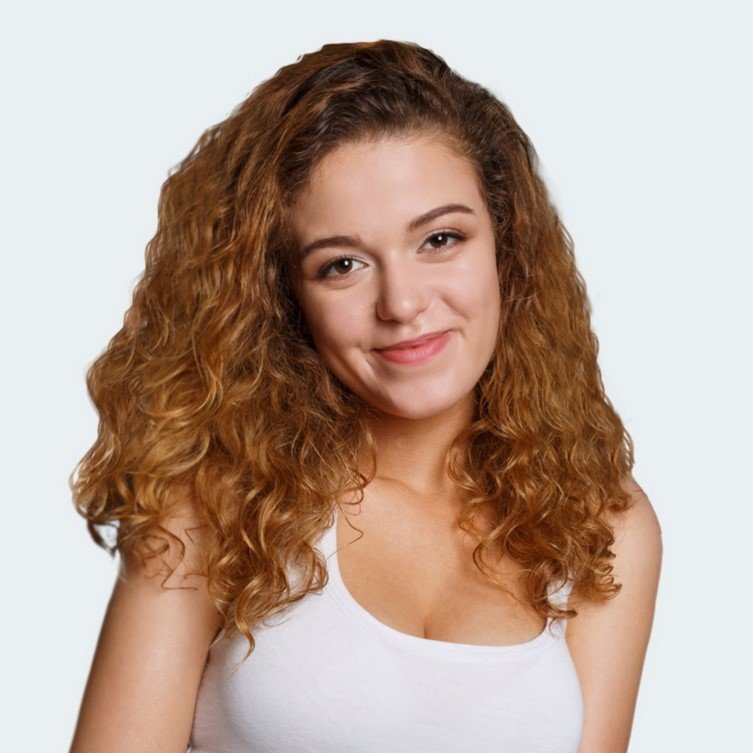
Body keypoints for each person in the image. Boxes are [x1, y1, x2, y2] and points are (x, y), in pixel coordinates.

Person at [68, 39, 663, 753]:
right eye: (342, 264)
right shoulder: (215, 501)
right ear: (283, 295)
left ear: (507, 249)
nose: (402, 303)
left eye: (440, 239)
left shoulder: (600, 521)